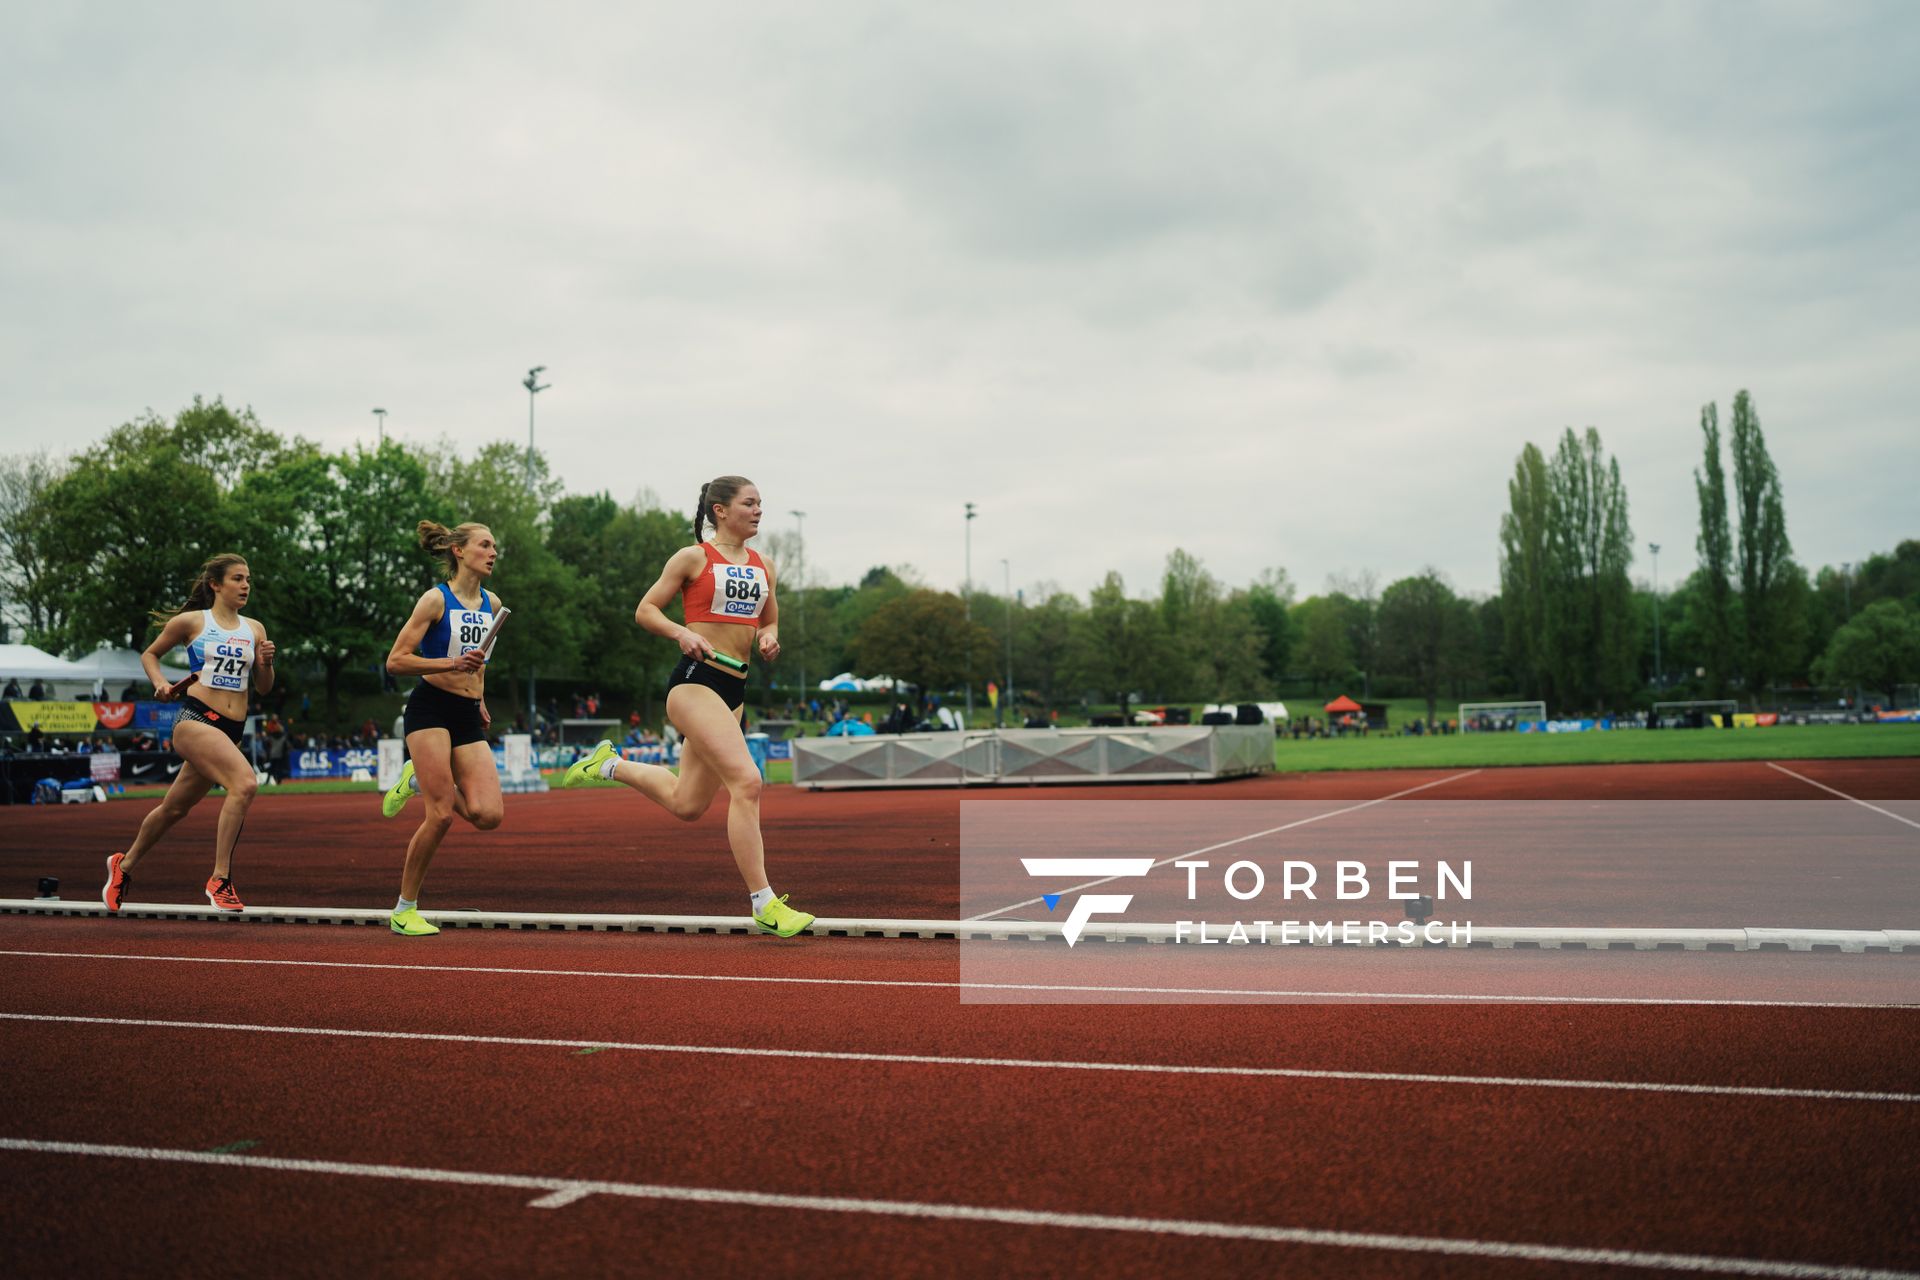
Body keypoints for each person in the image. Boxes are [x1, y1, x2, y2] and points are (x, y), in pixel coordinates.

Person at [564, 475, 814, 937]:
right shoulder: (694, 557)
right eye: (749, 503)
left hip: (735, 689)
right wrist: (681, 632)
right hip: (695, 683)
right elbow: (645, 610)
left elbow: (769, 617)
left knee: (687, 803)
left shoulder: (765, 565)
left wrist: (768, 637)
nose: (759, 510)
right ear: (720, 510)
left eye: (761, 504)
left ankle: (610, 765)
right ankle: (764, 902)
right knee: (748, 781)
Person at [103, 553, 275, 913]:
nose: (246, 585)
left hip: (231, 730)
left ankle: (124, 864)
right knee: (244, 784)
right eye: (238, 579)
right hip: (196, 719)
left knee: (174, 808)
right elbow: (150, 654)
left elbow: (263, 688)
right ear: (215, 584)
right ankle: (220, 879)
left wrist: (266, 664)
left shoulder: (254, 629)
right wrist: (161, 682)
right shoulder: (193, 622)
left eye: (248, 580)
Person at [377, 520, 505, 937]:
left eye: (494, 546)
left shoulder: (493, 604)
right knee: (441, 816)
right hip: (430, 708)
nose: (493, 552)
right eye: (485, 545)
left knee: (488, 815)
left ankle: (418, 779)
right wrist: (452, 664)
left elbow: (480, 662)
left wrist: (480, 699)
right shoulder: (435, 600)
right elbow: (396, 661)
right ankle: (404, 909)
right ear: (459, 551)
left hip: (466, 711)